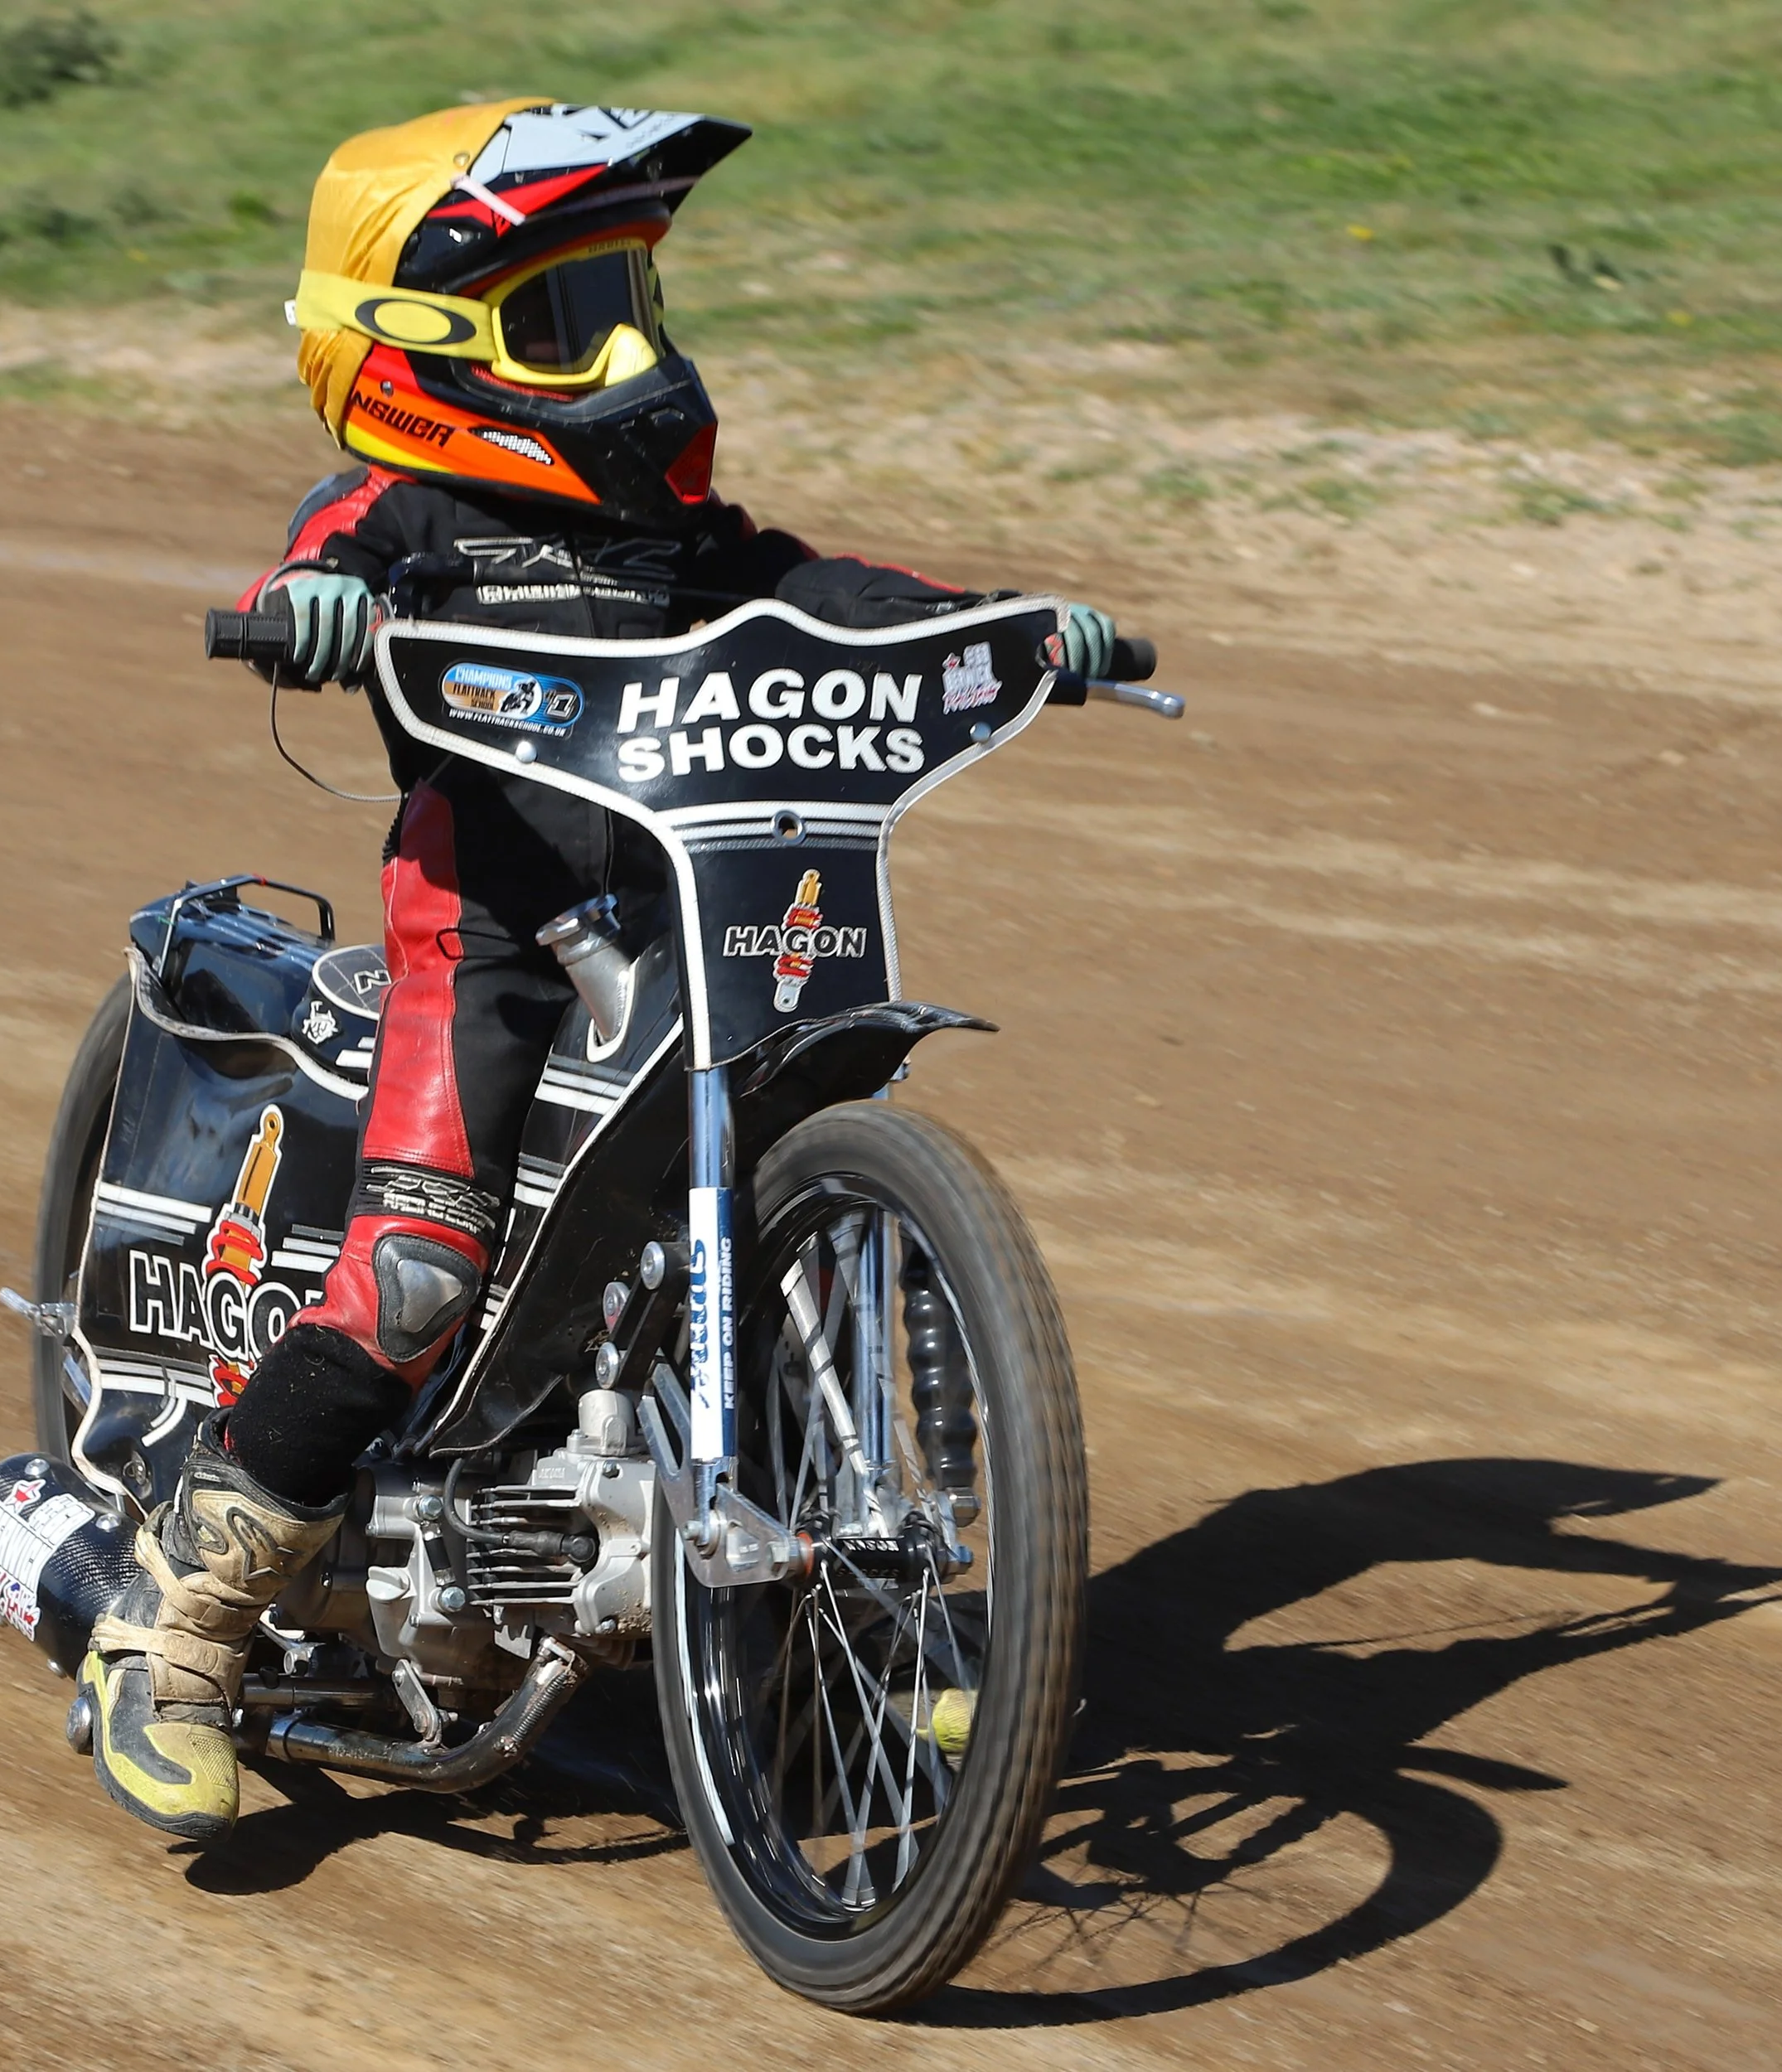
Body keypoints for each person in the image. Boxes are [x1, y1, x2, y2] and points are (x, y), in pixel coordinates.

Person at [80, 99, 1117, 1841]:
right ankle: (171, 1622)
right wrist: (317, 610)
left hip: (690, 908)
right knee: (412, 1272)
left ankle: (818, 1632)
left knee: (779, 1190)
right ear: (429, 346)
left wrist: (1012, 623)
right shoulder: (398, 509)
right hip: (481, 920)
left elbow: (820, 589)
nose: (632, 350)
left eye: (633, 294)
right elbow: (314, 563)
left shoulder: (676, 541)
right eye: (575, 313)